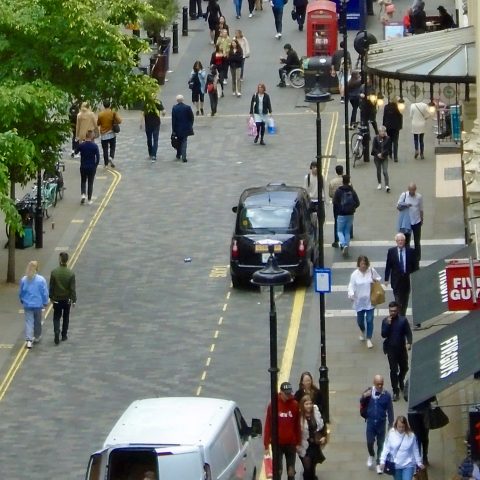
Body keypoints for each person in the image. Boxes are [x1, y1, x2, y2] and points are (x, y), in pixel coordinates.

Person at [264, 382, 300, 480]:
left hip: (291, 443)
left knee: (291, 470)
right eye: (286, 393)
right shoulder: (273, 405)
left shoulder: (295, 405)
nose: (288, 395)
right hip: (277, 444)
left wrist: (298, 442)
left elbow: (297, 425)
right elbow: (268, 425)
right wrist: (266, 444)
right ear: (281, 392)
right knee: (278, 470)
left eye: (289, 393)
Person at [360, 374, 394, 473]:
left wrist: (391, 424)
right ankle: (371, 455)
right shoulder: (369, 392)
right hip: (370, 422)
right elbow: (361, 401)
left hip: (381, 423)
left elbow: (390, 410)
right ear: (374, 383)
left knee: (381, 444)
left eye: (381, 384)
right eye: (378, 384)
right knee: (370, 442)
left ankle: (379, 463)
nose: (380, 386)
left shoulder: (386, 395)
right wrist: (364, 396)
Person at [381, 301, 413, 402]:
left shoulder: (403, 321)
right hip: (391, 349)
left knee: (405, 367)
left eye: (394, 311)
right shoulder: (385, 321)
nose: (392, 313)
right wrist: (388, 325)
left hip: (401, 349)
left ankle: (401, 379)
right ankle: (396, 390)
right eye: (391, 311)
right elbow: (383, 334)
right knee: (393, 370)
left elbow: (408, 332)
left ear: (397, 310)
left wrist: (409, 342)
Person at [348, 255, 382, 349]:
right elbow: (351, 285)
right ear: (358, 264)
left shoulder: (371, 271)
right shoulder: (354, 274)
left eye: (365, 263)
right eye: (361, 263)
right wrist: (351, 293)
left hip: (370, 300)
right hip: (359, 301)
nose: (363, 265)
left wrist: (375, 280)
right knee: (360, 321)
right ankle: (363, 331)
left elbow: (378, 278)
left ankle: (369, 338)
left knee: (370, 320)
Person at [384, 232, 418, 316]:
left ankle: (402, 315)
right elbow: (388, 265)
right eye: (398, 240)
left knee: (405, 301)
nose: (400, 242)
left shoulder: (411, 251)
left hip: (407, 280)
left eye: (402, 240)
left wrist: (416, 277)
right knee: (398, 300)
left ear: (405, 241)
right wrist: (386, 279)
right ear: (396, 241)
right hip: (396, 281)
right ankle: (399, 318)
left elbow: (415, 266)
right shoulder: (391, 251)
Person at [19, 260, 49, 349]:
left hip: (27, 304)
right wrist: (45, 302)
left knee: (29, 321)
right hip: (38, 304)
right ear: (37, 268)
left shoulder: (24, 279)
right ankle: (37, 336)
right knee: (37, 321)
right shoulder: (41, 279)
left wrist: (21, 299)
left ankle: (28, 340)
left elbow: (21, 292)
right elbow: (44, 292)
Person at [49, 252, 77, 345]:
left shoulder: (54, 272)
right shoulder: (71, 274)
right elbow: (72, 289)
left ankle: (56, 331)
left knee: (56, 317)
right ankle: (64, 335)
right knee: (66, 317)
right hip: (66, 299)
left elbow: (51, 287)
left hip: (57, 299)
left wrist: (51, 297)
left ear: (60, 260)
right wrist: (74, 300)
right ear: (67, 260)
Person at [297, 394, 326, 480]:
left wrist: (323, 436)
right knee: (307, 467)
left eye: (310, 404)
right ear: (302, 405)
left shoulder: (315, 412)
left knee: (313, 466)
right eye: (306, 404)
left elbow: (321, 426)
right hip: (303, 445)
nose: (309, 406)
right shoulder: (299, 416)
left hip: (314, 444)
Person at [332, 174, 360, 257]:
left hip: (341, 214)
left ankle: (344, 245)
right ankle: (347, 245)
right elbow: (358, 202)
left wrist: (339, 209)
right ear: (349, 181)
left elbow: (335, 202)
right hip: (350, 214)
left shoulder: (338, 191)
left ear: (342, 181)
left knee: (339, 231)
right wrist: (353, 208)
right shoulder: (352, 191)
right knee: (347, 231)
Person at [397, 183, 423, 265]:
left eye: (413, 190)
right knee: (407, 241)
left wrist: (422, 219)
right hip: (407, 222)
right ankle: (407, 257)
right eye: (410, 190)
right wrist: (406, 205)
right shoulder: (404, 195)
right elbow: (398, 206)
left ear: (415, 190)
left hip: (416, 221)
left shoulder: (419, 197)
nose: (412, 192)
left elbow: (421, 209)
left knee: (417, 241)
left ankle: (417, 258)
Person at [408, 396, 436, 466]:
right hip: (413, 414)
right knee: (417, 437)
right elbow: (406, 396)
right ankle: (418, 459)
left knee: (425, 436)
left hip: (425, 413)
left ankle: (425, 456)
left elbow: (433, 398)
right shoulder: (410, 385)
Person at [76, 129, 100, 205]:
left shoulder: (82, 145)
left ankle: (83, 194)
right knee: (90, 183)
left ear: (86, 136)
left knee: (83, 181)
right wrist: (95, 165)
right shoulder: (95, 146)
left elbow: (76, 151)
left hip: (83, 166)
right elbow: (98, 158)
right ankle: (89, 200)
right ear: (92, 136)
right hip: (91, 167)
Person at [97, 99, 121, 168]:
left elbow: (98, 123)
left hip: (104, 135)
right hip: (112, 134)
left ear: (103, 105)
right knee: (112, 147)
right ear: (109, 105)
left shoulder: (100, 114)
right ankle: (111, 157)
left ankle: (106, 164)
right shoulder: (113, 113)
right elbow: (120, 121)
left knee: (105, 149)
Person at [171, 94, 194, 163]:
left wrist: (173, 129)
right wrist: (190, 125)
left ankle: (178, 154)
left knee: (179, 141)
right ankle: (184, 156)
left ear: (177, 100)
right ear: (183, 100)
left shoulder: (174, 108)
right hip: (186, 127)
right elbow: (191, 117)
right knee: (184, 141)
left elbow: (173, 120)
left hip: (177, 128)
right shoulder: (187, 107)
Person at [142, 98, 165, 163]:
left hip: (148, 123)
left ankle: (150, 153)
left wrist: (141, 123)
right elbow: (164, 111)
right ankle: (154, 155)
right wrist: (163, 114)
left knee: (149, 139)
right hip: (156, 123)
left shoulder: (146, 102)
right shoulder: (158, 102)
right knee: (155, 139)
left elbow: (142, 113)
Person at [371, 126, 392, 193]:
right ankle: (379, 183)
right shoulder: (375, 138)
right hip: (377, 158)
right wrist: (378, 154)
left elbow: (388, 149)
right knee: (378, 170)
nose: (383, 133)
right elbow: (374, 148)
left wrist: (382, 154)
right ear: (379, 132)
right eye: (381, 131)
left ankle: (387, 185)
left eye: (384, 131)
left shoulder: (388, 138)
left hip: (384, 157)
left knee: (385, 171)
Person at [328, 165, 344, 248]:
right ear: (342, 171)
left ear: (336, 171)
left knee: (336, 221)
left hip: (336, 204)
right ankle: (344, 240)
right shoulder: (347, 181)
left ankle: (336, 240)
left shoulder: (332, 182)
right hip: (345, 205)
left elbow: (330, 194)